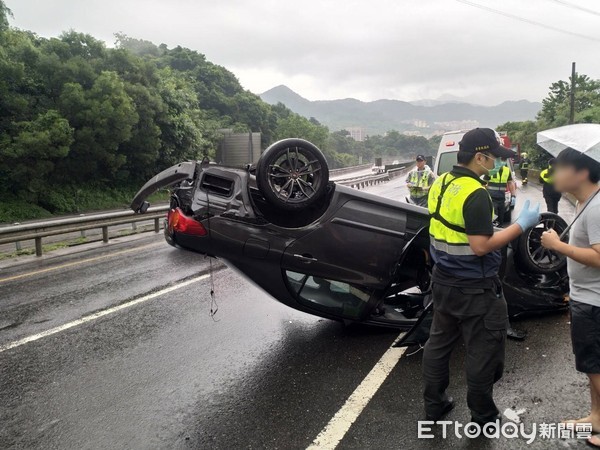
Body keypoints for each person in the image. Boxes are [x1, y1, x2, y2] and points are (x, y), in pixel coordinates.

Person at [422, 128, 540, 427]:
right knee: (483, 352)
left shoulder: (442, 183)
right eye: (494, 158)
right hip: (475, 288)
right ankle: (483, 415)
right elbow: (480, 246)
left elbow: (453, 229)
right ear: (479, 157)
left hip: (443, 279)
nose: (497, 164)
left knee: (438, 345)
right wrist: (520, 226)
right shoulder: (476, 193)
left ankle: (434, 405)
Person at [540, 148, 600, 448]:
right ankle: (596, 417)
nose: (555, 174)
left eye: (561, 167)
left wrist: (558, 246)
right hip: (584, 298)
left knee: (597, 366)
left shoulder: (598, 206)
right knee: (592, 365)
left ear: (582, 172)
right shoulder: (585, 202)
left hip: (595, 302)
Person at [486, 158, 517, 225]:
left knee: (501, 217)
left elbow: (510, 183)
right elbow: (484, 183)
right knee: (493, 217)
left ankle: (500, 226)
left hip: (502, 198)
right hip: (491, 198)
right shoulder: (490, 170)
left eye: (503, 160)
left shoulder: (506, 170)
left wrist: (513, 195)